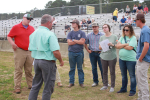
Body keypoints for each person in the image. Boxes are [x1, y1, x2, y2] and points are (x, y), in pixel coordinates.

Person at [28, 14, 64, 100]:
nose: (52, 24)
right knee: (48, 87)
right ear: (49, 22)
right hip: (47, 62)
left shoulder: (33, 33)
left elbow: (30, 49)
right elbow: (55, 52)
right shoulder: (50, 34)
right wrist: (61, 60)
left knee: (35, 85)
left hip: (36, 61)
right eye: (52, 23)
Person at [7, 14, 34, 94]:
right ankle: (17, 87)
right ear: (23, 18)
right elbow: (9, 36)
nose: (29, 20)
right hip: (19, 50)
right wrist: (12, 43)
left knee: (29, 70)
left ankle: (30, 85)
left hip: (29, 51)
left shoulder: (32, 28)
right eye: (28, 18)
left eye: (30, 19)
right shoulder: (16, 27)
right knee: (18, 70)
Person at [116, 25, 137, 96]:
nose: (125, 31)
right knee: (123, 75)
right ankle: (123, 89)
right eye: (124, 30)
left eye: (127, 30)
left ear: (130, 30)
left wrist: (121, 45)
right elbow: (117, 46)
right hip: (122, 59)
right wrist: (125, 44)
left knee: (132, 75)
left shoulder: (133, 38)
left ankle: (133, 90)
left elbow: (130, 48)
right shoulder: (122, 37)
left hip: (131, 60)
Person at [67, 19, 86, 88]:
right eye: (72, 23)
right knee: (72, 68)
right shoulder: (70, 33)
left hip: (79, 53)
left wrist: (73, 40)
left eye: (73, 23)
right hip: (71, 52)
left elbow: (82, 42)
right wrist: (78, 41)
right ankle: (71, 82)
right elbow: (69, 43)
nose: (72, 24)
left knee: (80, 68)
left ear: (77, 24)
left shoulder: (82, 33)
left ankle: (81, 82)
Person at [135, 13, 150, 100]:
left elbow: (146, 46)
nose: (135, 22)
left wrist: (140, 58)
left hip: (143, 60)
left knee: (142, 81)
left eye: (135, 20)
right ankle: (140, 97)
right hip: (142, 59)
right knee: (139, 80)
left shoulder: (145, 30)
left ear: (139, 20)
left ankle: (145, 98)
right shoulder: (144, 29)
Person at [99, 24, 117, 92]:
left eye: (105, 27)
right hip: (103, 56)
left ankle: (112, 86)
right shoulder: (102, 37)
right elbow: (99, 47)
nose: (104, 29)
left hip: (112, 57)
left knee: (112, 72)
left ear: (109, 28)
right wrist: (103, 46)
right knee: (104, 72)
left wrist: (112, 44)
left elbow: (117, 45)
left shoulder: (114, 36)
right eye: (103, 28)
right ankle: (105, 85)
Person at [85, 22, 104, 87]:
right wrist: (87, 50)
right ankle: (95, 81)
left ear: (98, 27)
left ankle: (105, 82)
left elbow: (105, 44)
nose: (94, 28)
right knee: (94, 68)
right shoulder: (89, 35)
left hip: (100, 53)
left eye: (95, 26)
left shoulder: (102, 35)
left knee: (102, 68)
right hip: (92, 53)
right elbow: (85, 43)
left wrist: (102, 50)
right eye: (93, 27)